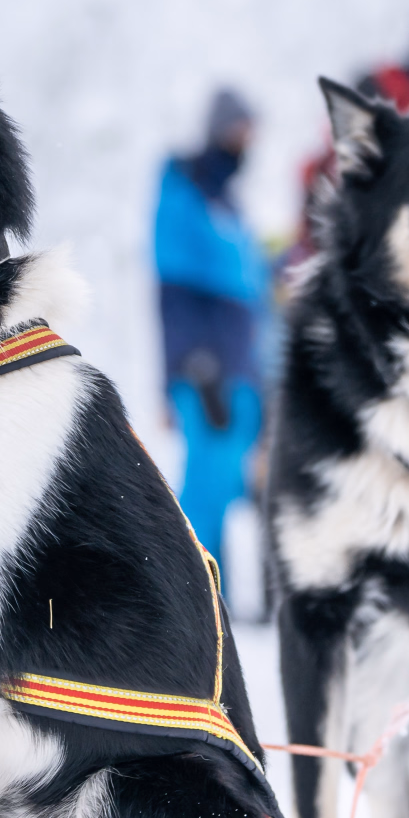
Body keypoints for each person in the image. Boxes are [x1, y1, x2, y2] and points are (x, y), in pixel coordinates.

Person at [153, 87, 271, 567]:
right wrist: (195, 365)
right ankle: (195, 596)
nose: (247, 142)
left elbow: (251, 295)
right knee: (203, 498)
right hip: (207, 374)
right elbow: (175, 283)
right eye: (241, 131)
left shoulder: (230, 203)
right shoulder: (184, 188)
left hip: (242, 373)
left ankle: (218, 604)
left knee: (225, 494)